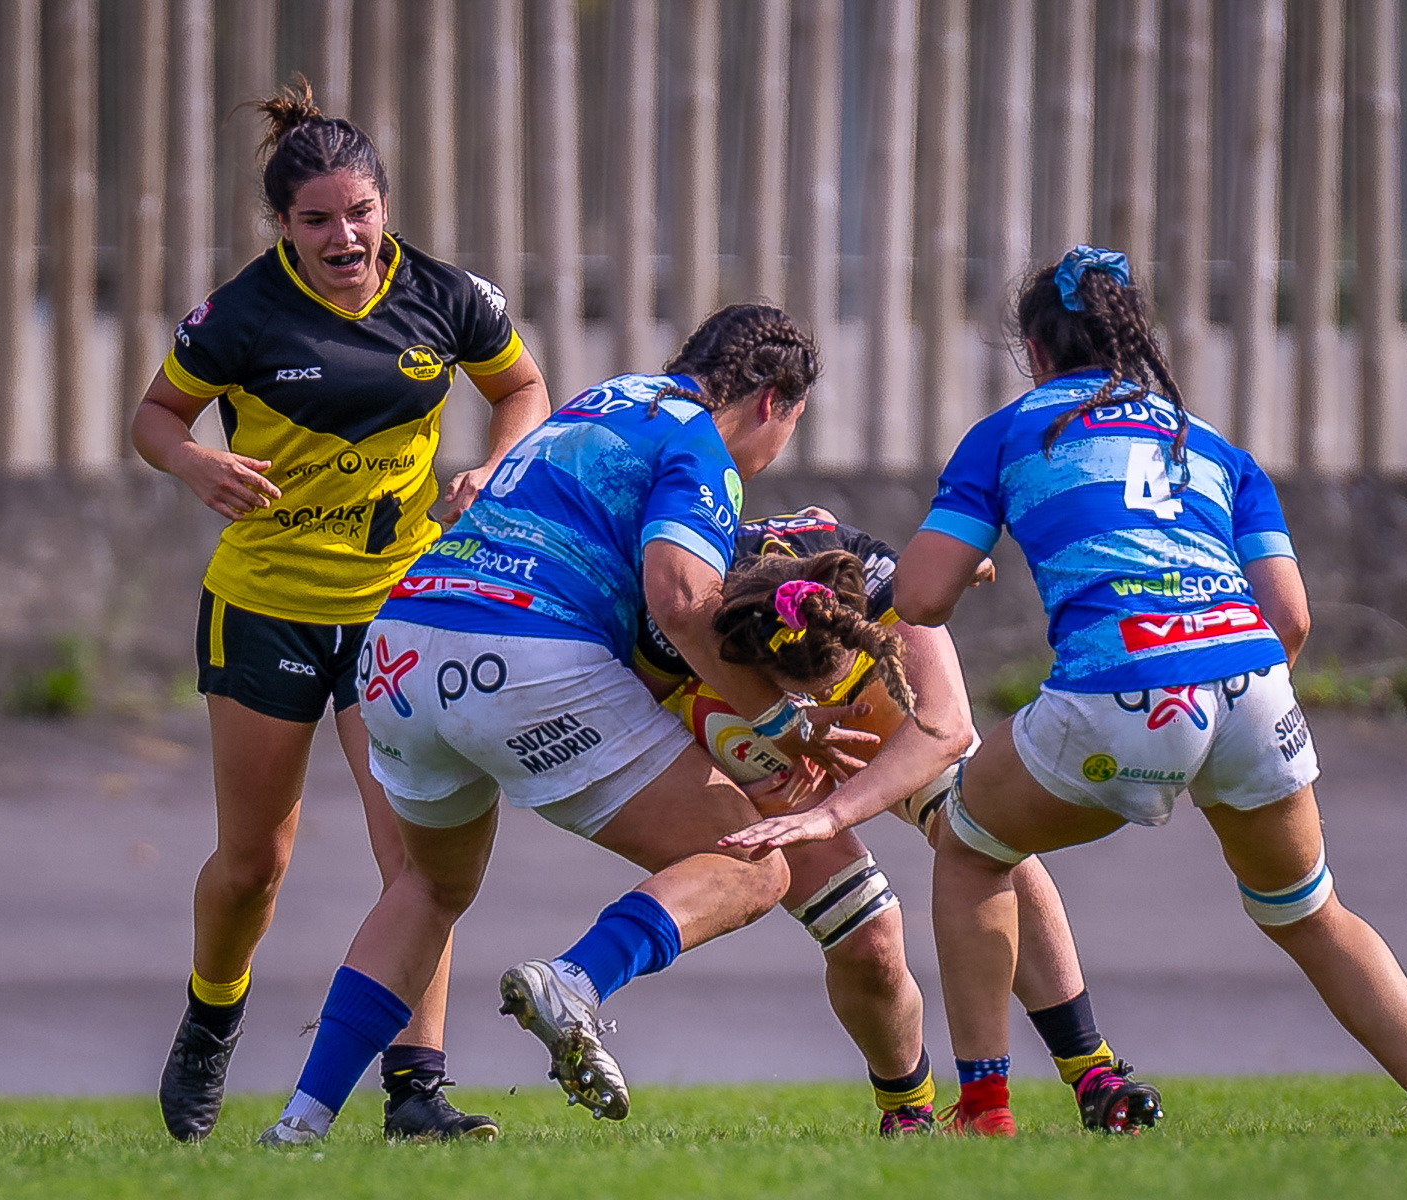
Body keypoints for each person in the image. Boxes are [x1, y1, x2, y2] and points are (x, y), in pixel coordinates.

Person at [885, 245, 1407, 1136]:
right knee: (1310, 911)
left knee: (974, 846)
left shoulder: (1011, 433)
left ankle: (984, 1109)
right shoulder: (1209, 444)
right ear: (1133, 339)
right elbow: (1291, 618)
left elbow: (919, 599)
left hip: (1121, 688)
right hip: (1252, 688)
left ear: (1036, 349)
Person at [254, 304, 878, 1147]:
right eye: (790, 427)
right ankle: (576, 982)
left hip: (400, 646)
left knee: (428, 887)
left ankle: (297, 1127)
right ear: (771, 402)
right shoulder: (702, 445)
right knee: (759, 863)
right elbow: (680, 600)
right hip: (520, 656)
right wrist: (779, 721)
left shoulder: (603, 399)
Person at [129, 76, 550, 1143]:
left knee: (416, 860)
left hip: (396, 616)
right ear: (282, 227)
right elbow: (155, 417)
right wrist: (196, 464)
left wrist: (495, 466)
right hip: (265, 608)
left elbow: (523, 389)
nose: (344, 236)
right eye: (316, 220)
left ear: (385, 208)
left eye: (360, 213)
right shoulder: (243, 313)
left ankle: (416, 1089)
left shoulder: (447, 297)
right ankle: (210, 1022)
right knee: (254, 864)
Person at [647, 510, 1163, 1135]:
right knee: (865, 929)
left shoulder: (861, 571)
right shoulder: (683, 605)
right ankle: (907, 1111)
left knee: (979, 830)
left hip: (838, 664)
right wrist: (784, 733)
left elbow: (948, 729)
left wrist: (835, 808)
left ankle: (1092, 1070)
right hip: (728, 712)